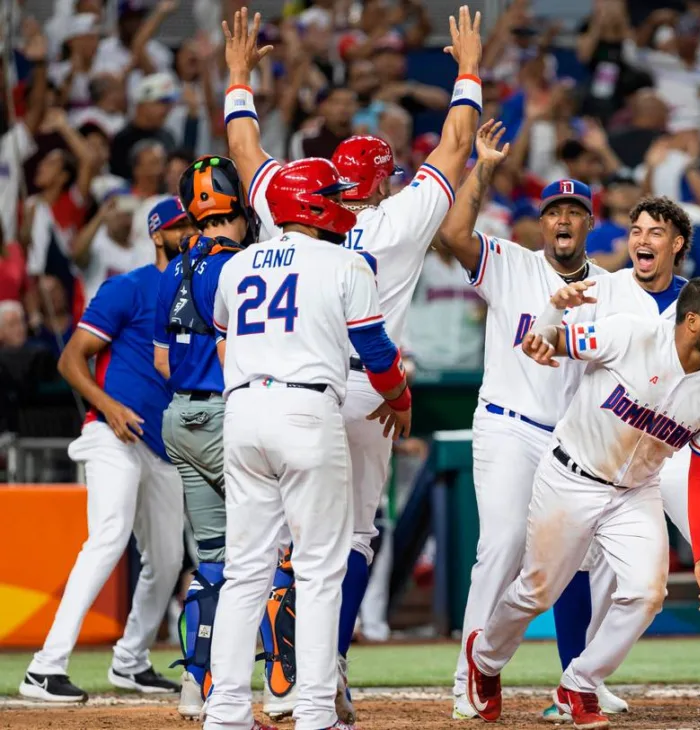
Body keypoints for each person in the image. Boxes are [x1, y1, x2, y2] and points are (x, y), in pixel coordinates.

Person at [219, 8, 480, 720]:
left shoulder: (284, 213)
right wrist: (467, 72)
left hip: (268, 383)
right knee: (352, 540)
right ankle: (322, 668)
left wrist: (239, 77)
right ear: (385, 181)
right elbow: (457, 144)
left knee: (261, 545)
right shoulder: (398, 220)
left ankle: (247, 666)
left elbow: (244, 152)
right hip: (363, 385)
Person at [541, 196, 700, 719]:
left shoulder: (697, 302)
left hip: (675, 447)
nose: (641, 240)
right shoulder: (604, 287)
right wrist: (555, 310)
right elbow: (553, 332)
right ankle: (577, 685)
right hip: (607, 440)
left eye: (655, 232)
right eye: (635, 230)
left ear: (677, 244)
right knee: (580, 564)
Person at [464, 277, 700, 730]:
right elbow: (555, 339)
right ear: (692, 321)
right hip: (570, 476)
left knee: (648, 593)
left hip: (635, 491)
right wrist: (551, 320)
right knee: (537, 592)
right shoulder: (632, 334)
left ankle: (579, 683)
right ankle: (485, 656)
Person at [203, 156, 411, 730]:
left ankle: (224, 712)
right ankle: (316, 712)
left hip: (242, 409)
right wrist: (400, 398)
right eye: (334, 195)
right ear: (315, 204)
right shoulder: (344, 262)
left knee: (246, 569)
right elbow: (377, 356)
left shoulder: (235, 265)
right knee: (319, 569)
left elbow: (222, 337)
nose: (344, 203)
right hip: (307, 406)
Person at [436, 119, 631, 719]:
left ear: (589, 222)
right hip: (509, 425)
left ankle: (581, 678)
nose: (564, 221)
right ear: (542, 221)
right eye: (555, 212)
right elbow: (453, 231)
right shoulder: (511, 264)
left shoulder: (613, 288)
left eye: (574, 211)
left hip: (574, 440)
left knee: (601, 558)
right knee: (501, 544)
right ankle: (469, 671)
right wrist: (485, 168)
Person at [18, 197, 189, 703]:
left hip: (164, 442)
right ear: (158, 235)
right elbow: (71, 360)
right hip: (111, 433)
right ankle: (44, 668)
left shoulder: (200, 292)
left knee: (167, 556)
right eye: (182, 227)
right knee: (109, 535)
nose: (191, 233)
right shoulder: (129, 286)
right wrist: (108, 406)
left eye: (197, 225)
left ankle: (132, 661)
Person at [151, 156, 258, 718]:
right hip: (222, 416)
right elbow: (234, 349)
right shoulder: (240, 265)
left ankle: (196, 685)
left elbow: (163, 361)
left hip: (179, 417)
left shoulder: (174, 267)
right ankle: (291, 682)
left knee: (213, 559)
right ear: (237, 210)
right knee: (280, 544)